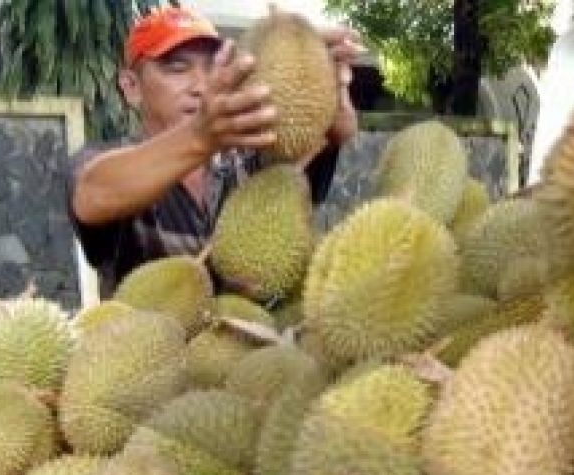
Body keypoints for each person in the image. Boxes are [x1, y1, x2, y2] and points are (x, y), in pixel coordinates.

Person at [67, 6, 364, 298]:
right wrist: (198, 136)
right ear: (131, 86)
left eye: (211, 67)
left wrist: (325, 87)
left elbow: (313, 141)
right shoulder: (110, 162)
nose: (200, 86)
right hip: (141, 343)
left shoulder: (249, 163)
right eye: (178, 68)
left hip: (256, 342)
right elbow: (93, 193)